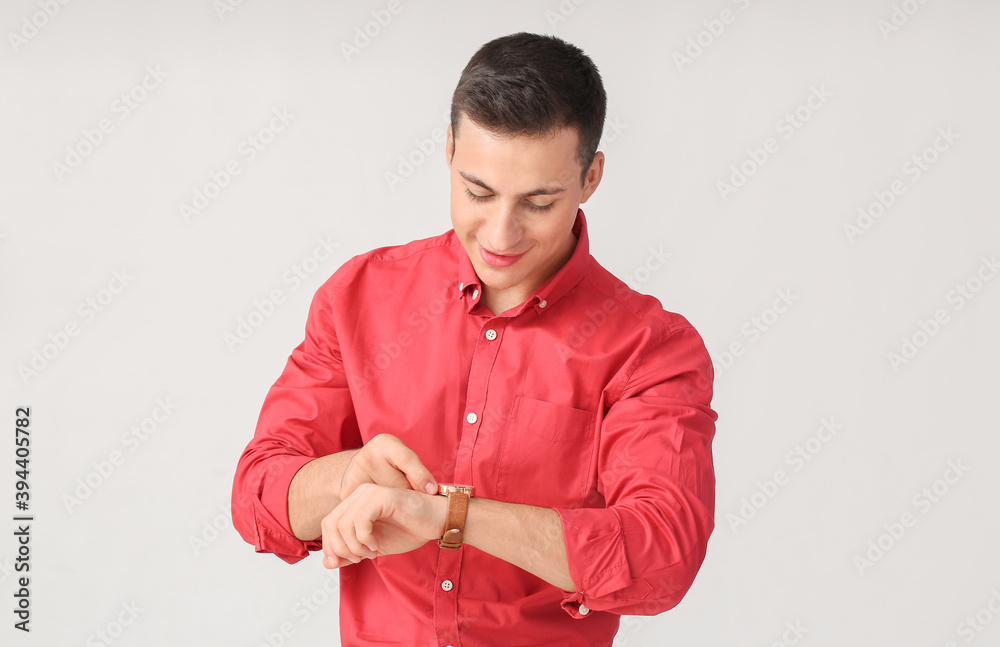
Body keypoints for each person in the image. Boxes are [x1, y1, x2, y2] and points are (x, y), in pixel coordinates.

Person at [232, 31, 717, 647]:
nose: (501, 233)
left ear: (591, 176)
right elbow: (255, 498)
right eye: (478, 192)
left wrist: (449, 517)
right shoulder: (359, 296)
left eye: (539, 203)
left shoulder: (651, 347)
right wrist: (350, 474)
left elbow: (661, 559)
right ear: (449, 153)